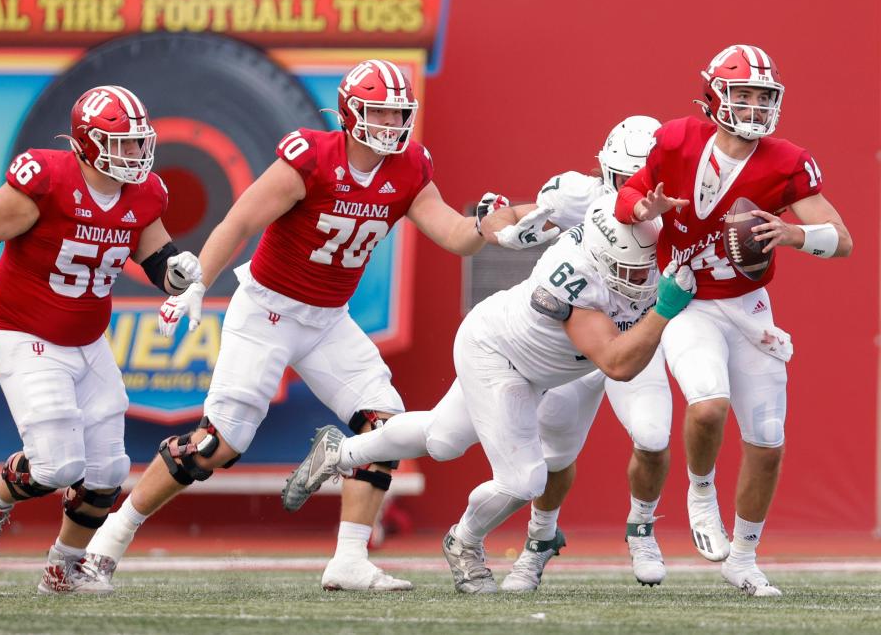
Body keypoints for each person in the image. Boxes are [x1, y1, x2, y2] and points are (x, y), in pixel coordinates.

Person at [83, 59, 527, 592]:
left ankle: (349, 560)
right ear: (351, 112)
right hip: (266, 310)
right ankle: (108, 540)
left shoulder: (409, 166)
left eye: (397, 112)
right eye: (379, 111)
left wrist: (487, 227)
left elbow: (455, 235)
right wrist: (198, 283)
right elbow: (240, 219)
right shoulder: (311, 158)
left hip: (327, 321)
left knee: (384, 427)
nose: (390, 123)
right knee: (217, 444)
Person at [281, 194, 698, 594]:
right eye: (630, 270)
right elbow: (617, 363)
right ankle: (463, 541)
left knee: (441, 440)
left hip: (540, 367)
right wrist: (663, 309)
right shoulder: (571, 276)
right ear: (600, 257)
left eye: (647, 266)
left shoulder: (633, 236)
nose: (642, 278)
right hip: (499, 354)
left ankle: (340, 453)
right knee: (524, 479)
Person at [0, 85, 202, 593]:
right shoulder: (47, 180)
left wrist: (178, 273)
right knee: (56, 464)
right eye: (125, 143)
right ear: (89, 143)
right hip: (26, 332)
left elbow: (155, 256)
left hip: (88, 340)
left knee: (107, 470)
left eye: (141, 142)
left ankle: (63, 566)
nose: (138, 154)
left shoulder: (144, 193)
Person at [614, 44, 852, 597]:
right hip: (687, 298)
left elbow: (842, 240)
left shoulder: (787, 159)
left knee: (768, 443)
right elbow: (628, 194)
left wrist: (794, 234)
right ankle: (701, 489)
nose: (753, 106)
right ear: (713, 95)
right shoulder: (676, 138)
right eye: (742, 94)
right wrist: (643, 210)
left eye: (763, 96)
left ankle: (743, 557)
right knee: (708, 405)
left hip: (747, 307)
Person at [490, 115, 674, 591]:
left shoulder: (679, 207)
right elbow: (522, 219)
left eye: (643, 178)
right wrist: (505, 227)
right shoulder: (578, 195)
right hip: (576, 345)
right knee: (555, 456)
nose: (631, 192)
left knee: (653, 437)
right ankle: (539, 540)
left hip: (637, 338)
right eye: (623, 178)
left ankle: (642, 528)